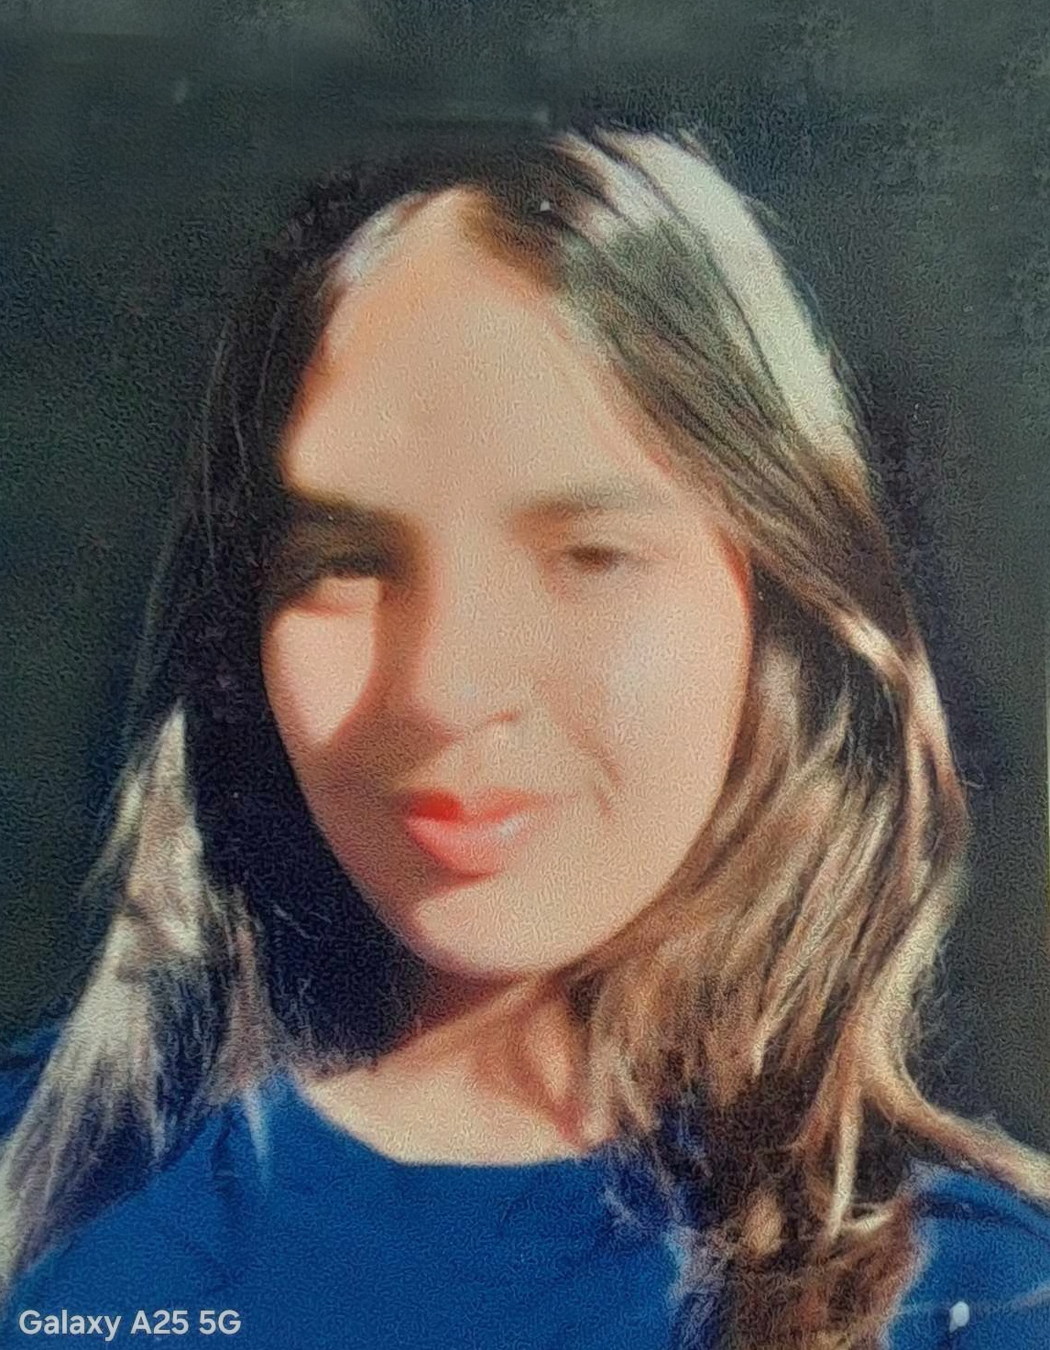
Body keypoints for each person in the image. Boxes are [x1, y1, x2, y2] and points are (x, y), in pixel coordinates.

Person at [1, 121, 1048, 1350]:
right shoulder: (37, 1200)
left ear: (782, 611)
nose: (441, 691)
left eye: (590, 555)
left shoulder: (970, 1303)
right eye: (344, 560)